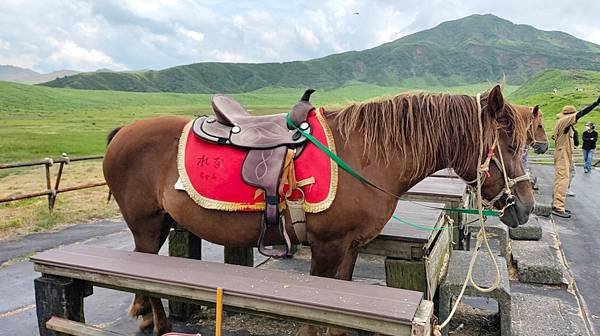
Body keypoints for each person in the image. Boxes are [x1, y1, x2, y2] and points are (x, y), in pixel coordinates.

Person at [551, 96, 600, 218]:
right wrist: (595, 103)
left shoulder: (568, 126)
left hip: (566, 154)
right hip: (562, 154)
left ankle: (556, 204)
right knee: (562, 179)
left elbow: (576, 142)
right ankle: (558, 207)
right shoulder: (564, 122)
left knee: (563, 179)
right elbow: (581, 114)